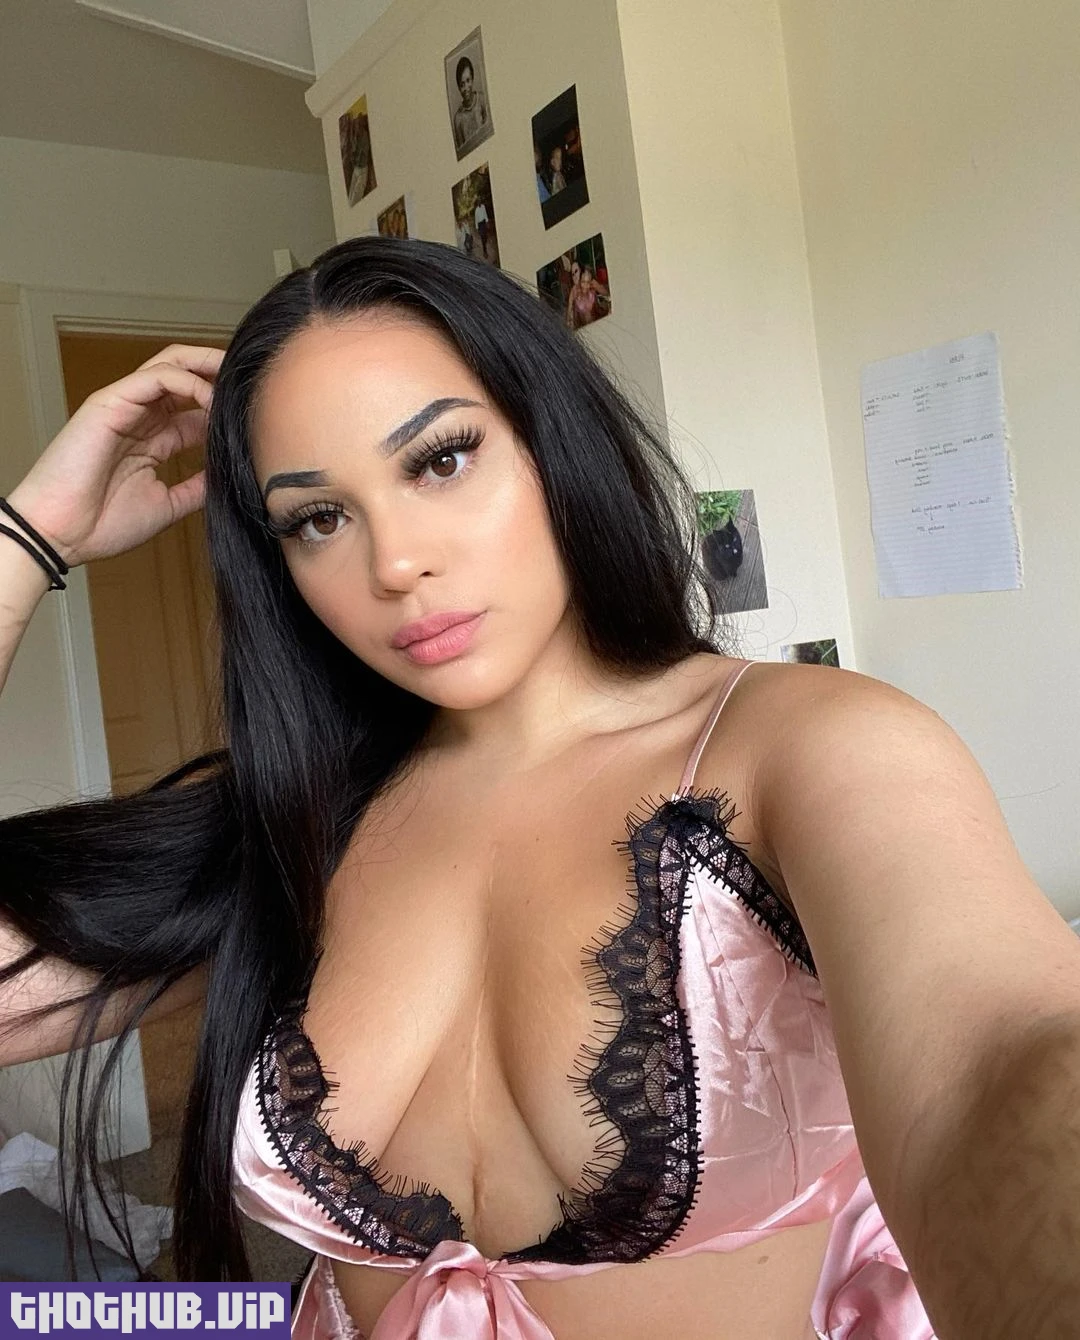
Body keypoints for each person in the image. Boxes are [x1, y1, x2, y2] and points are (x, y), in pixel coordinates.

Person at [1, 237, 1079, 1340]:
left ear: (552, 439)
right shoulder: (292, 823)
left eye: (440, 460)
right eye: (319, 517)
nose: (395, 563)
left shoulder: (807, 749)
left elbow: (997, 1062)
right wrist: (29, 535)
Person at [452, 55, 489, 153]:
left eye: (468, 81)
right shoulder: (458, 119)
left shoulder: (482, 100)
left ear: (472, 79)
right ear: (458, 88)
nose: (466, 88)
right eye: (462, 85)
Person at [566, 260, 609, 330]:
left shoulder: (590, 281)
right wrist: (570, 321)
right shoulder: (574, 290)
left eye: (576, 271)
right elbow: (569, 311)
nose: (574, 276)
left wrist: (594, 285)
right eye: (572, 274)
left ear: (581, 270)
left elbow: (606, 293)